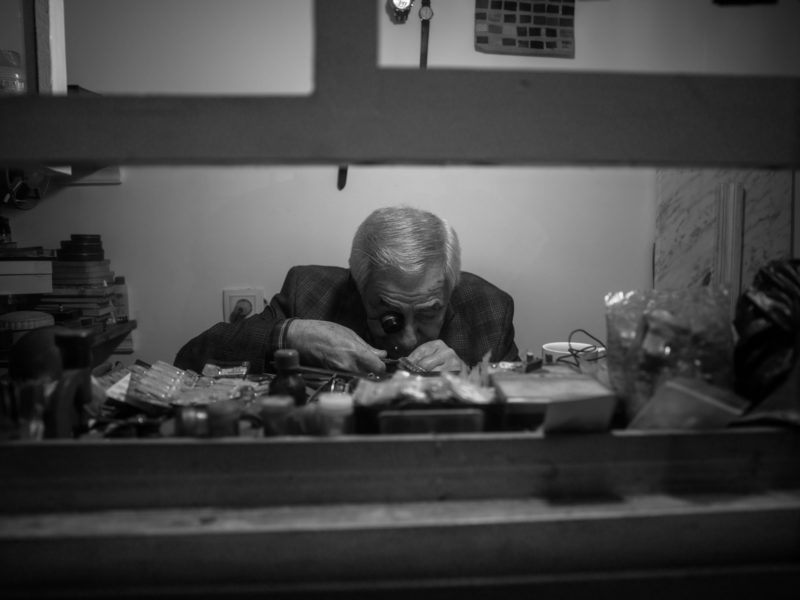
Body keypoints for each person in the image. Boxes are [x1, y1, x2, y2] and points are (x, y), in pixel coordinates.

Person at [174, 206, 519, 375]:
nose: (409, 339)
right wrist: (292, 333)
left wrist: (473, 385)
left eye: (430, 312)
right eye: (390, 315)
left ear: (451, 287)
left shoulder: (489, 310)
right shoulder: (309, 293)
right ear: (358, 284)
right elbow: (190, 359)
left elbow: (529, 412)